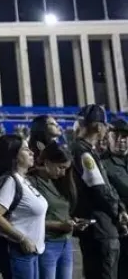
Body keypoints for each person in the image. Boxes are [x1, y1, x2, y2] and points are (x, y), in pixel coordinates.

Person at [0, 135, 47, 279]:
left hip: (30, 251)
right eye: (26, 150)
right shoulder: (10, 181)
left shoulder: (22, 180)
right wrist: (22, 238)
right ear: (14, 155)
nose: (32, 152)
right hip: (17, 250)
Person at [72, 104, 128, 279]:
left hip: (101, 228)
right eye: (105, 126)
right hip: (102, 228)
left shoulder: (86, 150)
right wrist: (119, 211)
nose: (106, 130)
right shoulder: (83, 152)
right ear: (98, 127)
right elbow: (100, 189)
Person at [30, 141, 86, 279]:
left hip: (65, 243)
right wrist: (59, 225)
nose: (63, 173)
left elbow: (60, 211)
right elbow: (27, 221)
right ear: (47, 162)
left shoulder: (58, 182)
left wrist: (72, 222)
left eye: (66, 168)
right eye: (61, 167)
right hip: (47, 244)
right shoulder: (32, 183)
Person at [102, 118, 128, 279]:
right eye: (115, 136)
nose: (121, 140)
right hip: (118, 230)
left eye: (124, 136)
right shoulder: (102, 164)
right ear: (108, 137)